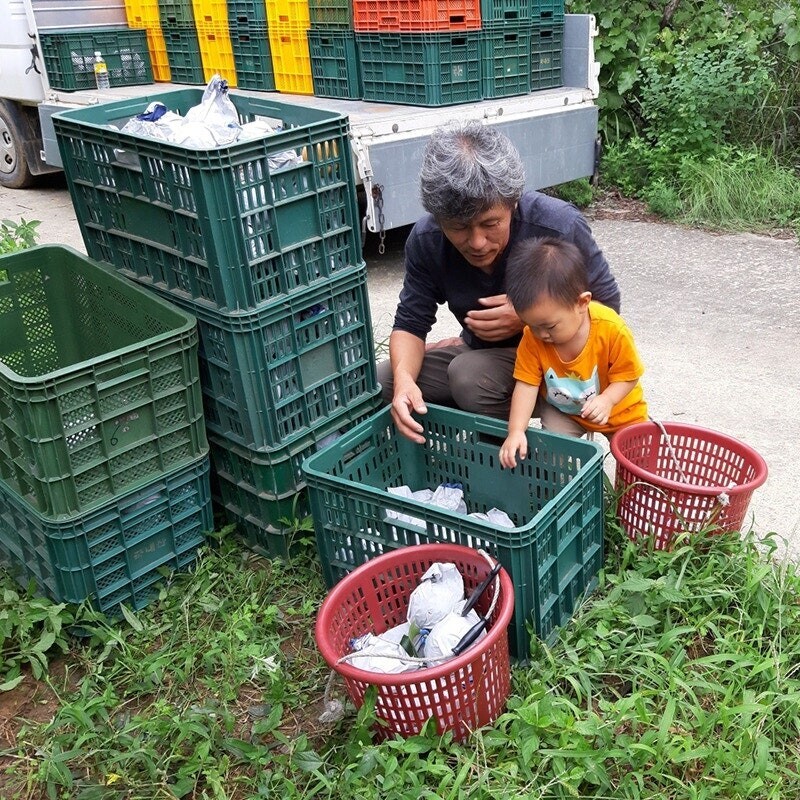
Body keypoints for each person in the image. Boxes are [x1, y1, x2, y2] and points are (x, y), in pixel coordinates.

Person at [377, 118, 621, 444]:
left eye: (490, 223)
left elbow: (608, 308)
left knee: (468, 375)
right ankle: (439, 456)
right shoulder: (426, 240)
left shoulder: (557, 227)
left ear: (513, 201)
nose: (476, 242)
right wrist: (406, 380)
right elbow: (410, 324)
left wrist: (528, 318)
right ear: (439, 219)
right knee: (383, 379)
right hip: (480, 354)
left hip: (560, 365)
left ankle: (506, 460)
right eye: (459, 228)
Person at [498, 237, 648, 469]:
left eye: (549, 326)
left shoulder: (611, 329)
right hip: (565, 411)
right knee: (550, 458)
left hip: (619, 409)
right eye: (531, 325)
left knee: (638, 462)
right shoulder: (533, 337)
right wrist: (516, 431)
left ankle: (624, 499)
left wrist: (607, 400)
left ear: (582, 302)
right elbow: (526, 385)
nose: (541, 334)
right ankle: (563, 493)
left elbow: (628, 375)